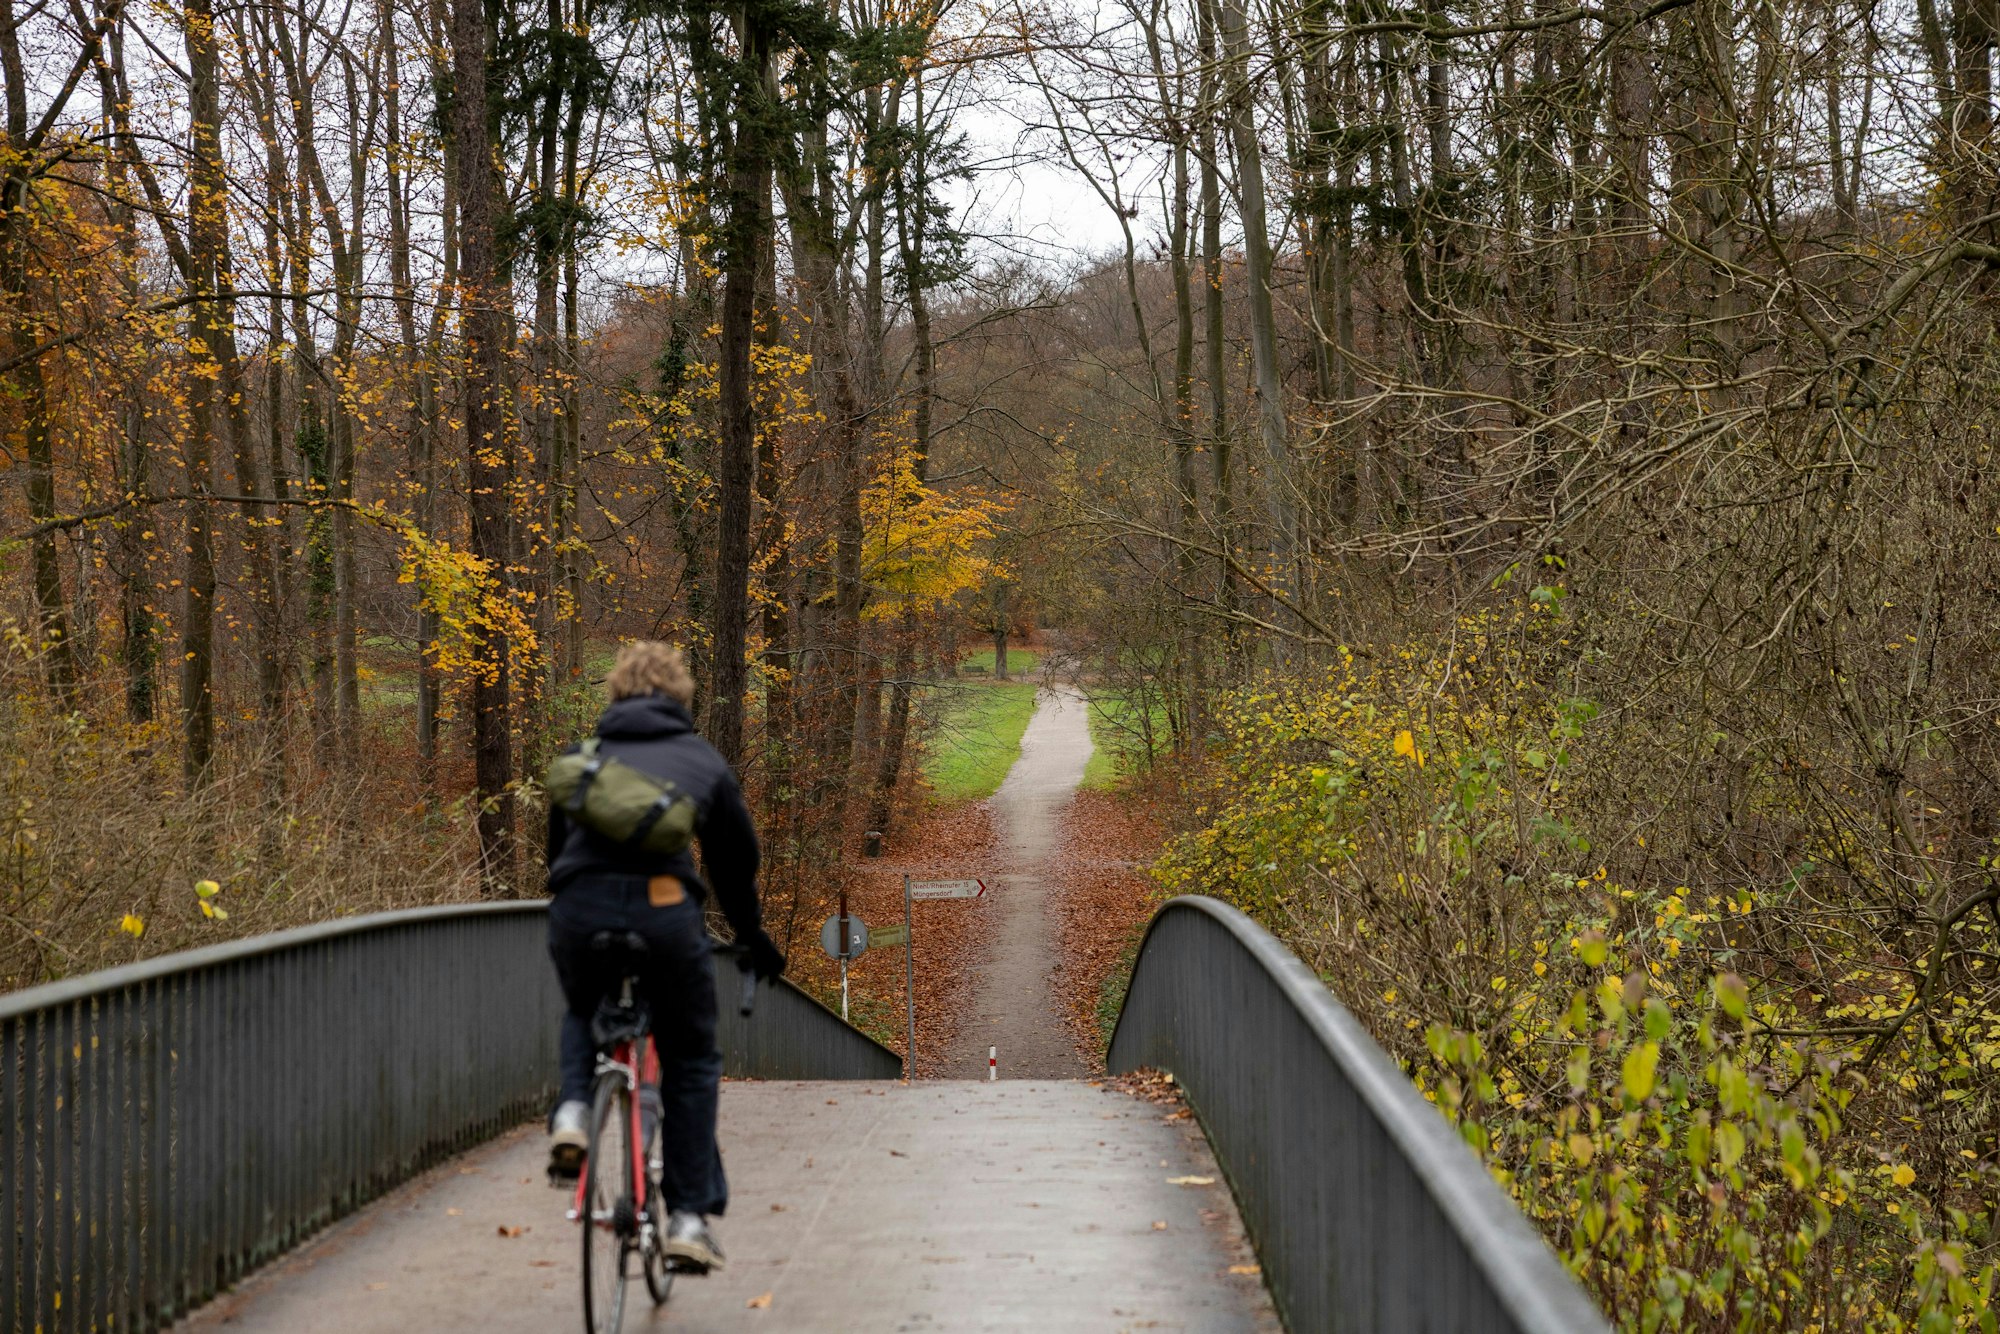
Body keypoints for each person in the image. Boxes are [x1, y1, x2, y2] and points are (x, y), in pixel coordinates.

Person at [544, 640, 786, 1274]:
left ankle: (571, 1112)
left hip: (580, 910)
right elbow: (735, 868)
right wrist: (752, 934)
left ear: (615, 693)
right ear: (681, 696)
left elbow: (556, 858)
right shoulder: (701, 761)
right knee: (691, 1057)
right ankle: (686, 1218)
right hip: (665, 914)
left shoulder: (584, 757)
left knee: (582, 1007)